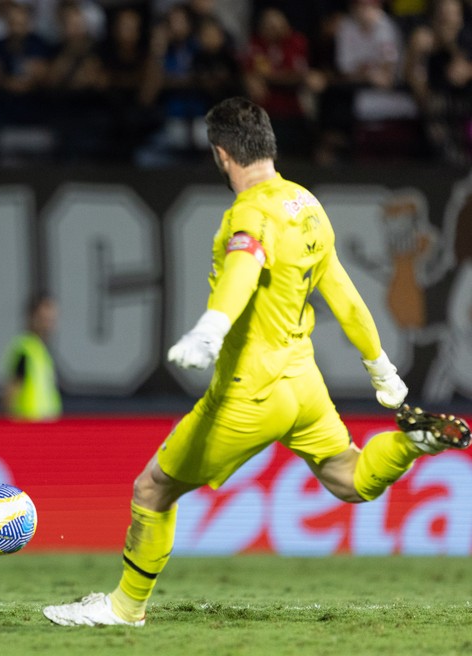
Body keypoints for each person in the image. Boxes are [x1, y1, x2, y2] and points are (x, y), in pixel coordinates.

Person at [42, 96, 471, 627]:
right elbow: (344, 295)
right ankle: (412, 443)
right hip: (303, 383)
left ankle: (125, 607)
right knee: (350, 476)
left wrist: (210, 329)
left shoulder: (248, 212)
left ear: (222, 155)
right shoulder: (306, 204)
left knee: (152, 489)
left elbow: (244, 266)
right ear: (269, 144)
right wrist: (379, 365)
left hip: (251, 391)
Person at [2, 292, 62, 422]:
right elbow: (11, 391)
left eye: (51, 319)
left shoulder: (41, 350)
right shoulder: (25, 349)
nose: (49, 324)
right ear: (32, 317)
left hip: (45, 424)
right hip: (28, 424)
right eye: (44, 319)